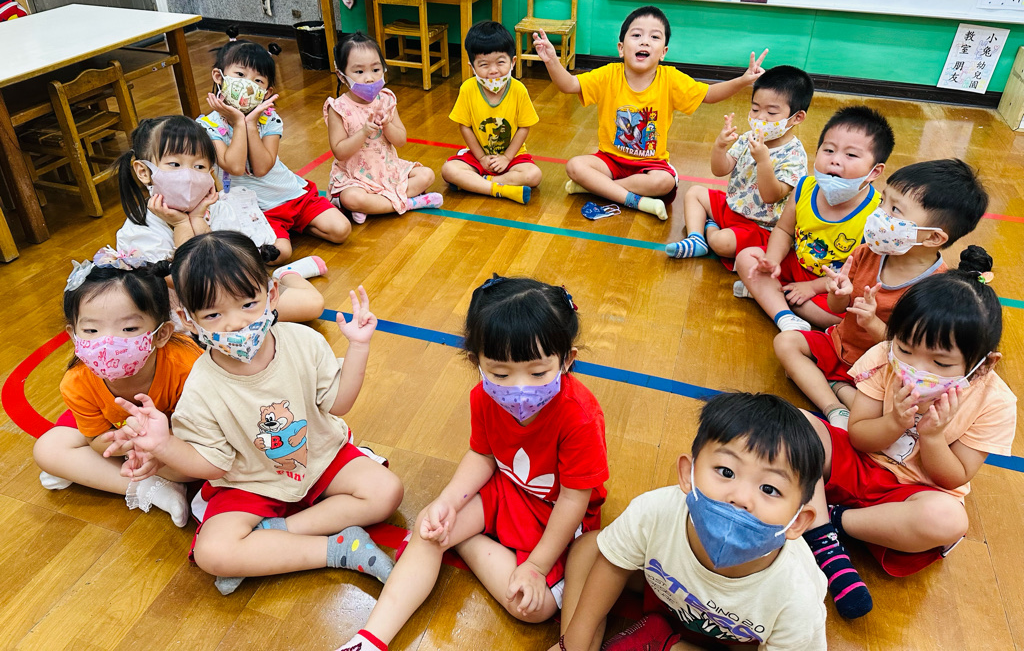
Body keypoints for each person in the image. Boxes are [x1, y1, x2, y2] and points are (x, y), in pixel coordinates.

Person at [103, 232, 403, 594]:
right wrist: (164, 444)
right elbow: (212, 465)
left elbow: (338, 405)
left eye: (248, 304)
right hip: (248, 482)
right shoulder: (201, 385)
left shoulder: (303, 342)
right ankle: (339, 550)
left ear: (271, 294)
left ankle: (275, 536)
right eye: (213, 314)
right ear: (187, 319)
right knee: (213, 553)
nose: (236, 323)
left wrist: (358, 347)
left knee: (387, 492)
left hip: (320, 458)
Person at [334, 276, 608, 651]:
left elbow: (575, 498)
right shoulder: (483, 396)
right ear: (476, 362)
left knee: (534, 608)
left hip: (556, 511)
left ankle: (464, 541)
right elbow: (483, 454)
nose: (519, 388)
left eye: (538, 373)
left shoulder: (579, 416)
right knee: (430, 528)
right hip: (507, 491)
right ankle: (368, 640)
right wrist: (448, 502)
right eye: (500, 373)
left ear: (567, 360)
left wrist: (536, 567)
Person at [800, 247, 1016, 621]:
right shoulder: (884, 357)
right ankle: (827, 543)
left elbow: (954, 478)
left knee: (949, 521)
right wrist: (895, 422)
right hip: (860, 462)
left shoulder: (995, 401)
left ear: (983, 366)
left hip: (911, 496)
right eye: (905, 348)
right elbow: (858, 436)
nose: (915, 367)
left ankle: (829, 522)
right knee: (796, 425)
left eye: (941, 362)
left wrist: (932, 437)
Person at [552, 391, 826, 651]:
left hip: (736, 642)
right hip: (666, 598)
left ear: (798, 521)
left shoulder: (796, 592)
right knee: (589, 549)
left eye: (769, 489)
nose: (741, 498)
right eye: (726, 472)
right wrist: (574, 643)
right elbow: (612, 565)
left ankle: (669, 644)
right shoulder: (656, 510)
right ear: (687, 473)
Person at [774, 160, 988, 429]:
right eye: (882, 201)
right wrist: (838, 293)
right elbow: (837, 308)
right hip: (839, 344)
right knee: (786, 342)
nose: (879, 213)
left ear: (933, 238)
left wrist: (872, 323)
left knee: (894, 414)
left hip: (881, 370)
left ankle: (831, 386)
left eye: (894, 209)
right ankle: (835, 407)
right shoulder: (868, 252)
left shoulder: (935, 289)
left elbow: (911, 351)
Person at [533, 5, 769, 220]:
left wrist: (742, 80)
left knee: (665, 181)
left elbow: (708, 94)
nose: (644, 42)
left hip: (650, 164)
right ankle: (635, 201)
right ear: (621, 48)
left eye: (654, 37)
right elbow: (569, 85)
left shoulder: (670, 79)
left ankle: (600, 188)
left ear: (663, 52)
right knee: (575, 166)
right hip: (610, 160)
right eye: (636, 35)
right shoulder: (608, 74)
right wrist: (552, 61)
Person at [32, 247, 201, 526]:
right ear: (74, 335)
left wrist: (158, 444)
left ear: (161, 334)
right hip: (122, 436)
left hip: (174, 439)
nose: (108, 342)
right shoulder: (77, 382)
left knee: (189, 469)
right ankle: (151, 490)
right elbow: (97, 441)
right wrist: (124, 443)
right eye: (91, 331)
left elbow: (202, 433)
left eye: (129, 329)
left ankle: (96, 473)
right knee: (47, 449)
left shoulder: (188, 367)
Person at [115, 115, 326, 323]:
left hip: (229, 297)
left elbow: (227, 269)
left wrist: (198, 219)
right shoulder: (139, 230)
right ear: (144, 171)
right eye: (175, 164)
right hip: (184, 310)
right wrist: (182, 224)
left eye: (199, 167)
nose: (188, 176)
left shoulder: (218, 210)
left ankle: (287, 275)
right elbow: (191, 284)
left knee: (311, 304)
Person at [734, 106, 895, 333]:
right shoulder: (805, 187)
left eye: (851, 155)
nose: (835, 160)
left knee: (842, 319)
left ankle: (771, 296)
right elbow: (784, 231)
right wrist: (772, 260)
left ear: (875, 171)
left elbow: (856, 274)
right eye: (828, 150)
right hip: (794, 264)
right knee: (746, 258)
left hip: (829, 286)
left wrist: (812, 287)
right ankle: (785, 315)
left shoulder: (876, 214)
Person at [198, 36, 351, 262]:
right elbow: (235, 167)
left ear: (267, 92)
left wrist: (251, 124)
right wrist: (239, 123)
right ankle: (281, 231)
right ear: (219, 77)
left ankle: (293, 226)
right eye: (240, 75)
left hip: (290, 194)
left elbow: (262, 168)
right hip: (257, 209)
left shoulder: (269, 119)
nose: (248, 84)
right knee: (280, 254)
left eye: (258, 80)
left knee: (341, 230)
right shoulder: (206, 126)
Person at [666, 65, 812, 263]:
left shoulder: (794, 155)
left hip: (760, 226)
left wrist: (763, 160)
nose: (760, 117)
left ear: (797, 117)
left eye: (771, 112)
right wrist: (719, 146)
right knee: (694, 193)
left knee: (721, 243)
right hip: (732, 207)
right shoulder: (748, 137)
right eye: (755, 109)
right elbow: (720, 170)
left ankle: (710, 227)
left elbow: (771, 196)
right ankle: (696, 238)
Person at [324, 31, 442, 223]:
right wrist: (363, 132)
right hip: (356, 177)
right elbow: (340, 152)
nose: (369, 78)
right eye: (359, 72)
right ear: (342, 76)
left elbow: (401, 140)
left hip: (387, 169)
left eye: (376, 69)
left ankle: (375, 206)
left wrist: (387, 125)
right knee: (351, 198)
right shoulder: (338, 108)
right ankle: (410, 203)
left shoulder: (386, 99)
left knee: (426, 175)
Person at [441, 21, 542, 204]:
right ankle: (499, 189)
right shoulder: (467, 89)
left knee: (533, 175)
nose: (493, 71)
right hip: (477, 155)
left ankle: (478, 184)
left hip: (513, 156)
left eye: (500, 62)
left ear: (513, 62)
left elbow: (524, 127)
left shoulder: (519, 90)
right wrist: (481, 157)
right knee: (448, 170)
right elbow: (464, 126)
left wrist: (506, 157)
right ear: (472, 67)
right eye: (484, 64)